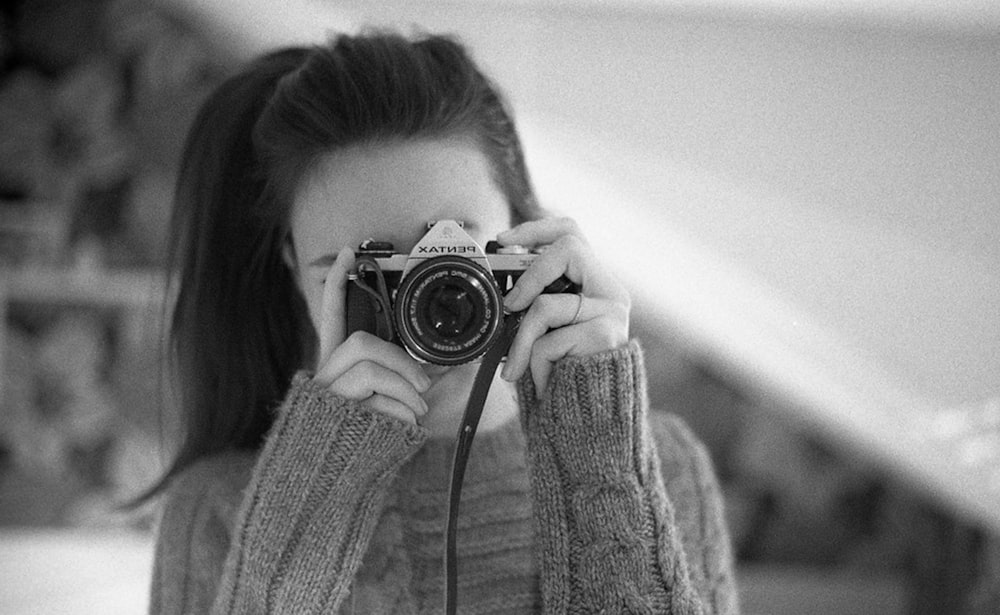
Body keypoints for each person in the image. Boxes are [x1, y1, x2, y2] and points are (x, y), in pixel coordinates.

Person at [148, 30, 739, 614]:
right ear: (293, 270)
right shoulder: (215, 511)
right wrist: (308, 513)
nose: (425, 307)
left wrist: (601, 446)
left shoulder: (655, 465)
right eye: (366, 274)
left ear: (522, 232)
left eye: (452, 256)